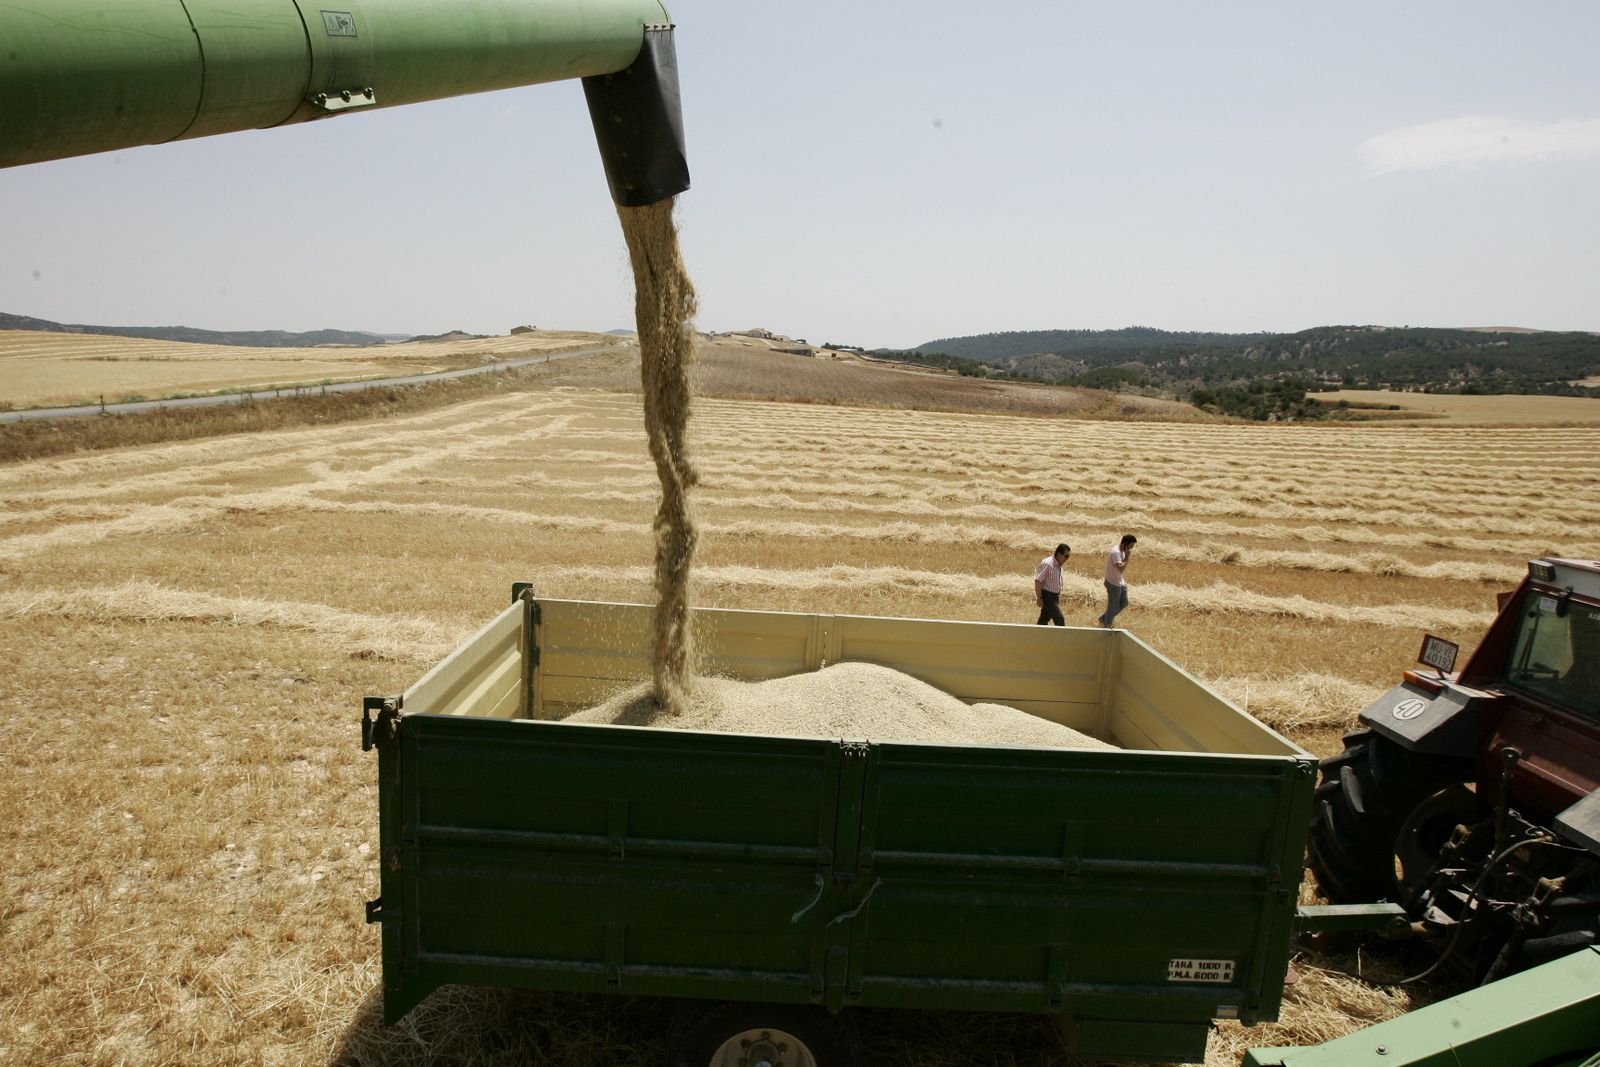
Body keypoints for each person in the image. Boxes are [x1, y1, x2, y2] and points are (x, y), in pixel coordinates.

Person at [1098, 534, 1137, 627]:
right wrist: (1127, 557)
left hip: (1119, 581)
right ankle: (1107, 626)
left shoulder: (1123, 550)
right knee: (1113, 607)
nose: (1131, 549)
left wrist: (1126, 556)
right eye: (1131, 546)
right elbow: (1121, 569)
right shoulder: (1115, 552)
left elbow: (1121, 567)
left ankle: (1104, 618)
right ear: (1125, 543)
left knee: (1124, 603)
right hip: (1112, 583)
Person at [1034, 543, 1070, 625]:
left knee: (1043, 620)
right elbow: (1038, 581)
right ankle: (1061, 638)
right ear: (1059, 554)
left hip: (1054, 596)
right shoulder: (1048, 564)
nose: (1067, 559)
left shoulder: (1059, 564)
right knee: (1060, 620)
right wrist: (1039, 598)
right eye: (1066, 556)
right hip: (1048, 596)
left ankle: (1037, 636)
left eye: (1068, 557)